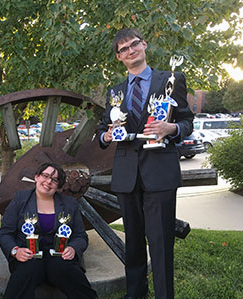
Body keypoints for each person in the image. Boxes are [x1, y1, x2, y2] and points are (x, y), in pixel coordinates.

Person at [97, 28, 194, 299]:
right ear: (119, 57)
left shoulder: (171, 80)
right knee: (134, 246)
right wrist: (105, 135)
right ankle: (135, 295)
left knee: (161, 244)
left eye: (134, 45)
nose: (130, 51)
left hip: (160, 174)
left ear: (144, 45)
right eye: (123, 49)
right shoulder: (114, 92)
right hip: (127, 176)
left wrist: (170, 128)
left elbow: (187, 122)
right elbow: (104, 129)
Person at [0, 163, 98, 299]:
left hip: (58, 256)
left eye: (54, 179)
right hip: (28, 255)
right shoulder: (20, 199)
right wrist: (15, 251)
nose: (49, 181)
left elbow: (80, 236)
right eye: (45, 175)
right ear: (36, 177)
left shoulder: (69, 204)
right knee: (27, 271)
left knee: (67, 271)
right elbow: (5, 233)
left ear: (58, 185)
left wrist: (73, 249)